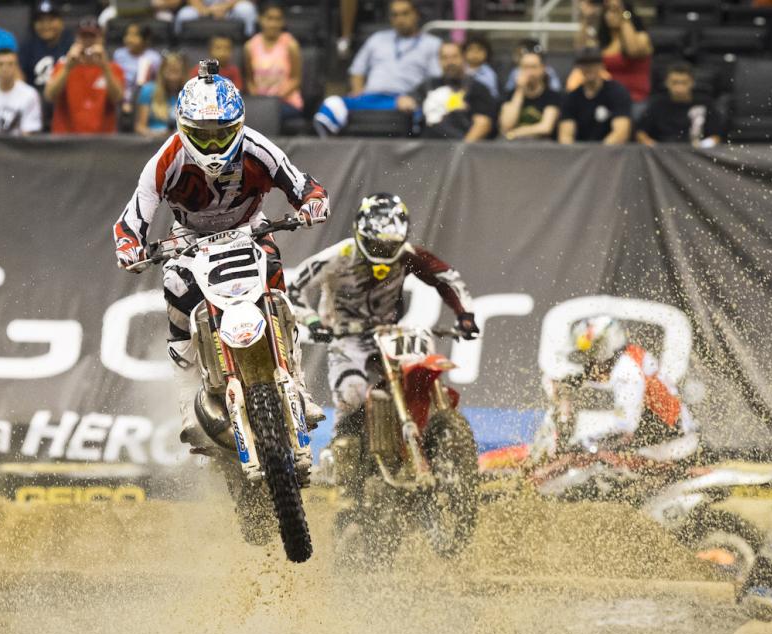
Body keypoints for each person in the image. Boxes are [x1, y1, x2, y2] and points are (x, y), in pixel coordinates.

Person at [112, 60, 330, 441]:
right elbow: (131, 219)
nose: (213, 146)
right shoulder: (166, 160)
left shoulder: (259, 147)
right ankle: (188, 410)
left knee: (279, 294)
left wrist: (313, 203)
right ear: (184, 128)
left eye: (222, 134)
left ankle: (299, 386)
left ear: (239, 125)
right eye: (203, 135)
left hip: (249, 230)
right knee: (178, 310)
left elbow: (303, 184)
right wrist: (129, 247)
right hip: (188, 239)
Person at [287, 193, 477, 448]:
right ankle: (342, 445)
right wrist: (311, 320)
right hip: (346, 336)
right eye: (377, 244)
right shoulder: (340, 254)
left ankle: (429, 434)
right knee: (352, 392)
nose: (384, 251)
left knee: (418, 376)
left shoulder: (408, 254)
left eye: (390, 245)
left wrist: (465, 315)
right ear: (361, 233)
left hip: (390, 333)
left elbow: (447, 279)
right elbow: (294, 287)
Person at [541, 315, 697, 462]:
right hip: (665, 439)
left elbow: (624, 432)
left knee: (588, 467)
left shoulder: (627, 373)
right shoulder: (629, 356)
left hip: (670, 450)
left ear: (608, 345)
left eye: (594, 351)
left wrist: (584, 444)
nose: (590, 359)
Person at [314, 0, 441, 136]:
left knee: (420, 113)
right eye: (395, 15)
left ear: (416, 15)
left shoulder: (432, 44)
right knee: (331, 105)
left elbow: (435, 79)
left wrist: (415, 98)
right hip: (370, 97)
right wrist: (358, 91)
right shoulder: (377, 39)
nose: (400, 19)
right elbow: (357, 70)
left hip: (403, 98)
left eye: (405, 13)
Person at [400, 41, 496, 141]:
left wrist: (461, 151)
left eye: (454, 57)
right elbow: (408, 99)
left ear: (463, 58)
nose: (450, 62)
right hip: (427, 147)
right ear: (439, 61)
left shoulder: (477, 88)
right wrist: (405, 101)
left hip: (459, 146)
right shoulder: (429, 84)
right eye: (445, 58)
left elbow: (482, 124)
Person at [45, 17, 124, 134]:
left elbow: (117, 98)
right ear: (77, 40)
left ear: (100, 40)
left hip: (103, 141)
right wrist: (68, 68)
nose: (88, 41)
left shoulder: (113, 68)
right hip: (66, 139)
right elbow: (50, 96)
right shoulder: (63, 65)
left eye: (92, 37)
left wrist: (105, 67)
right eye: (84, 37)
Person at [573, 0, 651, 110]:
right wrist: (586, 19)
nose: (610, 15)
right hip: (606, 98)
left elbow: (633, 51)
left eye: (614, 11)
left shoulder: (641, 37)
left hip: (634, 98)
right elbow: (581, 50)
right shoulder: (602, 42)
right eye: (607, 12)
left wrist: (623, 14)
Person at [635, 62, 723, 146]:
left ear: (692, 83)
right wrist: (655, 147)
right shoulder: (657, 104)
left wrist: (702, 146)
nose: (679, 88)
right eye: (674, 82)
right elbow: (640, 133)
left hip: (697, 152)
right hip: (662, 152)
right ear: (666, 83)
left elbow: (716, 136)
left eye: (684, 83)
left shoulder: (705, 103)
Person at [558, 47, 632, 144]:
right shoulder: (571, 97)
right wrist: (573, 154)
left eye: (593, 63)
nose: (589, 68)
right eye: (584, 64)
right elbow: (565, 136)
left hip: (612, 154)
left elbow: (620, 133)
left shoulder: (617, 92)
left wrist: (598, 153)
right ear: (578, 67)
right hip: (580, 155)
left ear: (602, 65)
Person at [244, 1, 302, 118]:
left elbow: (296, 80)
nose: (273, 24)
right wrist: (258, 99)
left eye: (278, 19)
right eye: (269, 18)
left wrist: (275, 100)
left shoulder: (291, 45)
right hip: (259, 101)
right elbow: (250, 80)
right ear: (260, 19)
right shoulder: (250, 46)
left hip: (286, 102)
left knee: (269, 115)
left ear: (283, 21)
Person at [499, 50, 562, 140]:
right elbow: (506, 126)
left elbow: (546, 127)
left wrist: (516, 133)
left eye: (533, 67)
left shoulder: (552, 96)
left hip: (542, 147)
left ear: (542, 69)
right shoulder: (510, 95)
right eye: (525, 67)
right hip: (513, 148)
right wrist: (520, 90)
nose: (529, 72)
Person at [20, 0, 71, 104]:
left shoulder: (71, 45)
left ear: (61, 22)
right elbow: (21, 80)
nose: (46, 25)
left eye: (51, 20)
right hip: (35, 102)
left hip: (66, 100)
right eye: (40, 21)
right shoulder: (27, 46)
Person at [112, 21, 162, 114]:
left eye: (134, 35)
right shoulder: (119, 54)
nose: (129, 39)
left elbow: (157, 82)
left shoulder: (154, 57)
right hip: (120, 95)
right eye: (127, 34)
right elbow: (115, 78)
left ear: (145, 39)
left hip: (143, 98)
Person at [135, 50, 185, 136]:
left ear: (182, 73)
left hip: (180, 141)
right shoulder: (148, 90)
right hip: (154, 141)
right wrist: (157, 134)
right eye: (169, 71)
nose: (172, 77)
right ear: (162, 72)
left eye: (176, 71)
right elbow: (140, 127)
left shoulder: (188, 94)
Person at [174, 0, 257, 38]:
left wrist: (224, 7)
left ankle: (248, 43)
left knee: (246, 10)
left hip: (231, 8)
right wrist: (205, 10)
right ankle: (180, 47)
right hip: (203, 9)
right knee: (185, 15)